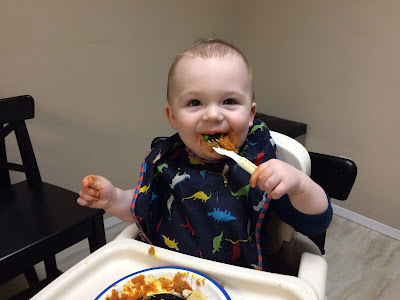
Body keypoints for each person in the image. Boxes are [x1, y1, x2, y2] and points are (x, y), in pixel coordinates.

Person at [78, 38, 332, 271]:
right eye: (195, 103)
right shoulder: (169, 163)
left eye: (229, 101)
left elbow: (316, 223)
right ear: (172, 117)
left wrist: (300, 186)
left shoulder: (263, 167)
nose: (212, 115)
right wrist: (114, 199)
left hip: (241, 282)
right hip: (170, 274)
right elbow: (144, 208)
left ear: (251, 113)